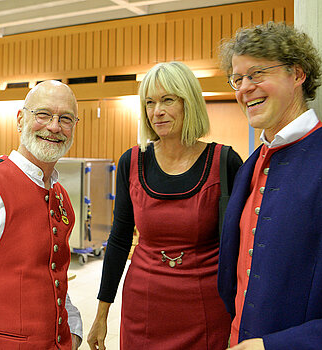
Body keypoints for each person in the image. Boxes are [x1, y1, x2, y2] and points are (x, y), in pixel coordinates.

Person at [87, 61, 242, 350]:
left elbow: (243, 246)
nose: (157, 111)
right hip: (144, 307)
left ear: (189, 103)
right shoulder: (131, 162)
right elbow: (120, 240)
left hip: (206, 307)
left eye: (168, 100)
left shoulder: (224, 162)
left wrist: (242, 316)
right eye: (149, 102)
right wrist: (101, 313)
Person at [217, 21, 322, 350]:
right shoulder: (251, 164)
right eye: (237, 79)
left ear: (297, 74)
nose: (244, 88)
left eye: (256, 74)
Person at [0, 80, 83, 349]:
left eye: (65, 118)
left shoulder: (62, 195)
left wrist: (73, 333)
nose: (54, 127)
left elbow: (56, 276)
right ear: (20, 119)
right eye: (43, 114)